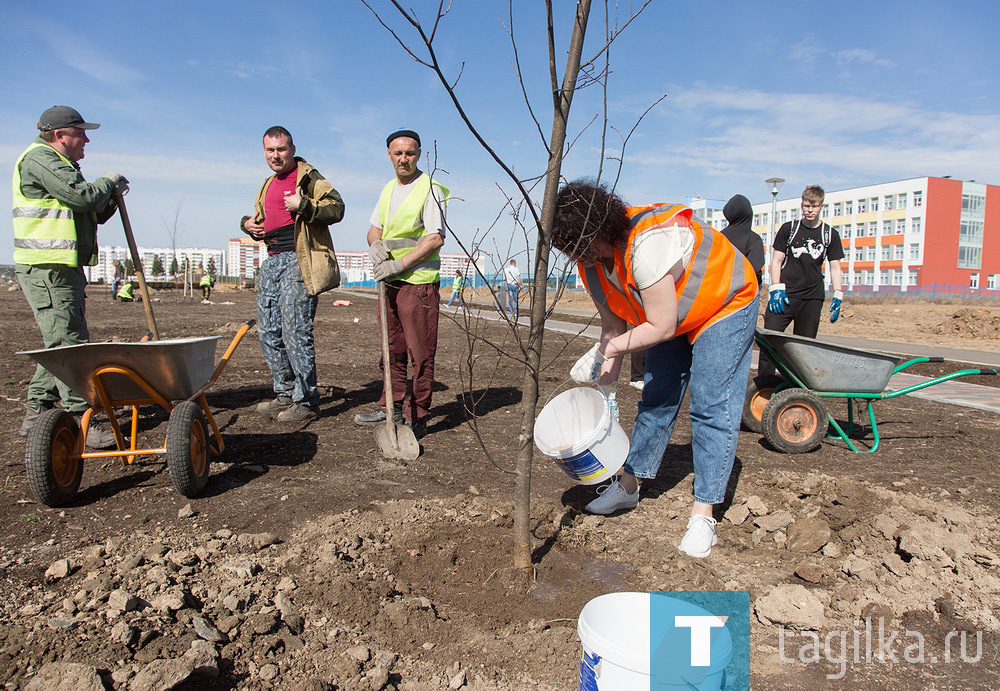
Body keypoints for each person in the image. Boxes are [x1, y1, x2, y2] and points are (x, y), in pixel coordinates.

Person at [552, 180, 758, 558]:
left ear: (597, 228)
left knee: (711, 404)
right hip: (672, 313)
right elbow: (614, 327)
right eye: (568, 249)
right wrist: (605, 386)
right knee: (657, 395)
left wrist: (611, 347)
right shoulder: (591, 261)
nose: (575, 255)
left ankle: (704, 513)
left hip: (723, 301)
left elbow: (660, 326)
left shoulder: (646, 244)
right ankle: (628, 487)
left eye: (578, 245)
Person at [13, 105, 128, 448]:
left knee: (60, 340)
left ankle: (38, 410)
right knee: (70, 344)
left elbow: (89, 209)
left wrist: (109, 197)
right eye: (80, 133)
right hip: (47, 267)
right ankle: (82, 418)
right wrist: (105, 182)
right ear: (60, 135)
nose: (86, 139)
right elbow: (81, 197)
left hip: (62, 267)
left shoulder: (63, 165)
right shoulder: (40, 159)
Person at [241, 126, 345, 423]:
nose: (276, 155)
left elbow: (337, 207)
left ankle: (307, 400)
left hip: (300, 261)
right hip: (272, 260)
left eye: (281, 149)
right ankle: (285, 391)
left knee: (295, 331)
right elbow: (262, 219)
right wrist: (247, 225)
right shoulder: (268, 183)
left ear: (292, 148)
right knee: (268, 331)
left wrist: (305, 205)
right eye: (270, 150)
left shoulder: (308, 177)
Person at [354, 129, 449, 439]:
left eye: (409, 153)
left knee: (419, 352)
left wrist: (400, 263)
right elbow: (374, 228)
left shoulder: (430, 190)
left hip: (417, 284)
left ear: (419, 154)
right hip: (390, 284)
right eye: (398, 153)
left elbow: (434, 238)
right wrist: (376, 245)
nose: (403, 158)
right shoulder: (388, 190)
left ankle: (417, 414)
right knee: (391, 350)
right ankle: (390, 408)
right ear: (389, 156)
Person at [759, 185, 844, 378]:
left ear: (822, 206)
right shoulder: (789, 229)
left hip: (812, 298)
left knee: (804, 350)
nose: (810, 210)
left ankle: (796, 390)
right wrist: (775, 289)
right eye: (806, 206)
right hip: (784, 295)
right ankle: (764, 387)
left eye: (814, 206)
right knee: (769, 340)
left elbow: (835, 266)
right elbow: (776, 260)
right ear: (802, 205)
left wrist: (838, 293)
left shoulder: (830, 234)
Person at [721, 194, 765, 287]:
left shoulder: (718, 237)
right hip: (743, 293)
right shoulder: (753, 239)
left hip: (719, 290)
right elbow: (755, 269)